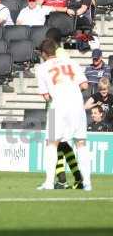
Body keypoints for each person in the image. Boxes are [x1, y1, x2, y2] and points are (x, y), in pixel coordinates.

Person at [36, 38, 91, 191]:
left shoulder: (41, 68)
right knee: (81, 142)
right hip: (77, 104)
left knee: (51, 143)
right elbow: (85, 85)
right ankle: (87, 183)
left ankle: (48, 183)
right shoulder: (71, 62)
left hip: (57, 106)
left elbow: (46, 96)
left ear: (44, 53)